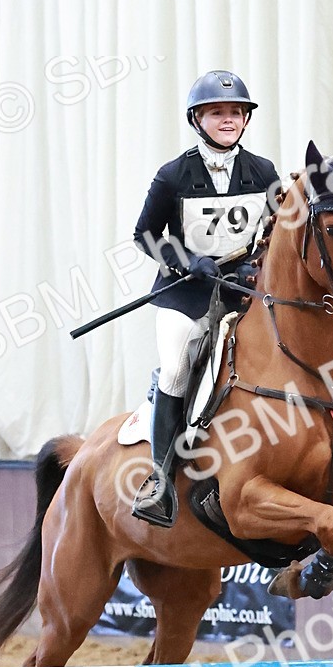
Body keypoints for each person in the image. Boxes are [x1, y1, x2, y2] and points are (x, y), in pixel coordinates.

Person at [131, 70, 280, 527]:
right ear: (198, 119)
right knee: (178, 365)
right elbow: (145, 235)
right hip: (187, 295)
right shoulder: (173, 174)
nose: (229, 120)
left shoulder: (264, 171)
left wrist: (258, 264)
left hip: (243, 291)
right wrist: (185, 259)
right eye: (218, 112)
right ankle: (159, 478)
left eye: (236, 112)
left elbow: (276, 231)